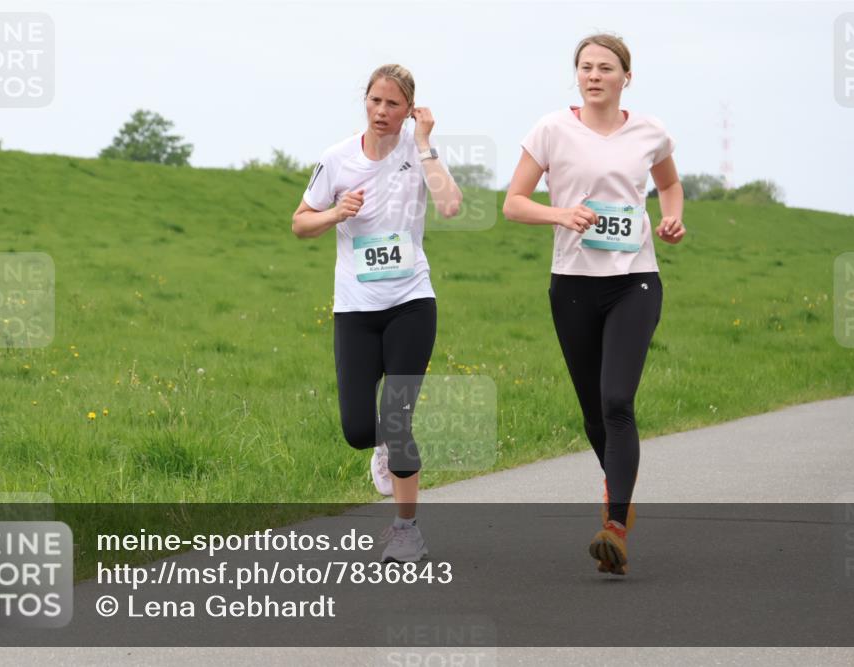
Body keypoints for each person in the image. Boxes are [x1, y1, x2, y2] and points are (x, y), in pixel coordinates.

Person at [503, 34, 685, 575]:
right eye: (585, 67)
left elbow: (670, 186)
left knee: (615, 400)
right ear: (576, 75)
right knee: (592, 413)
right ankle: (620, 501)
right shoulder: (551, 129)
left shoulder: (650, 131)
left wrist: (673, 218)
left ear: (626, 76)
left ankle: (614, 527)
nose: (594, 75)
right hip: (573, 283)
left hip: (635, 280)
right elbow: (513, 203)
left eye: (606, 68)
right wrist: (560, 215)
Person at [292, 64, 462, 563]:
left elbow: (450, 205)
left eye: (393, 104)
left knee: (398, 416)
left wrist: (426, 143)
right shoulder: (337, 159)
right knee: (359, 430)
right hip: (356, 308)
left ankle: (407, 530)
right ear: (363, 101)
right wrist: (335, 214)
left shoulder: (417, 151)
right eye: (374, 101)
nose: (381, 111)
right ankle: (381, 447)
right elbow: (300, 224)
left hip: (412, 302)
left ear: (410, 110)